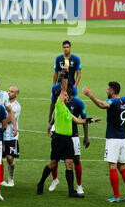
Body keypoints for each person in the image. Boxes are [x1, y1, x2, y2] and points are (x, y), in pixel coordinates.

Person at [37, 65, 100, 198]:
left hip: (68, 140)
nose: (66, 95)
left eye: (66, 95)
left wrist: (90, 120)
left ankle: (71, 191)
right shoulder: (59, 105)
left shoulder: (66, 110)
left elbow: (78, 120)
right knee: (53, 163)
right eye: (64, 94)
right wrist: (65, 72)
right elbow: (64, 87)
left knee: (69, 164)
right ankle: (41, 183)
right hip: (58, 139)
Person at [83, 81, 125, 202]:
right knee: (122, 166)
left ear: (113, 91)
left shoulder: (112, 102)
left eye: (108, 89)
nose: (106, 91)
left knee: (112, 166)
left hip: (113, 139)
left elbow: (102, 105)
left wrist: (90, 95)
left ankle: (116, 197)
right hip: (123, 138)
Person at [47, 81, 88, 195]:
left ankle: (79, 185)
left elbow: (83, 120)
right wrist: (50, 124)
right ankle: (54, 180)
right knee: (54, 159)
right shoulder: (59, 101)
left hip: (73, 135)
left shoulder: (79, 103)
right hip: (58, 134)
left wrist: (86, 137)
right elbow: (56, 114)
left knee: (76, 160)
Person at [1, 86, 21, 187]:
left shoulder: (16, 106)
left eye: (12, 91)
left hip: (11, 136)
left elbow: (8, 120)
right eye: (8, 90)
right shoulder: (4, 103)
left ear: (16, 94)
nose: (9, 93)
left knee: (9, 158)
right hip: (0, 135)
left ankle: (10, 177)